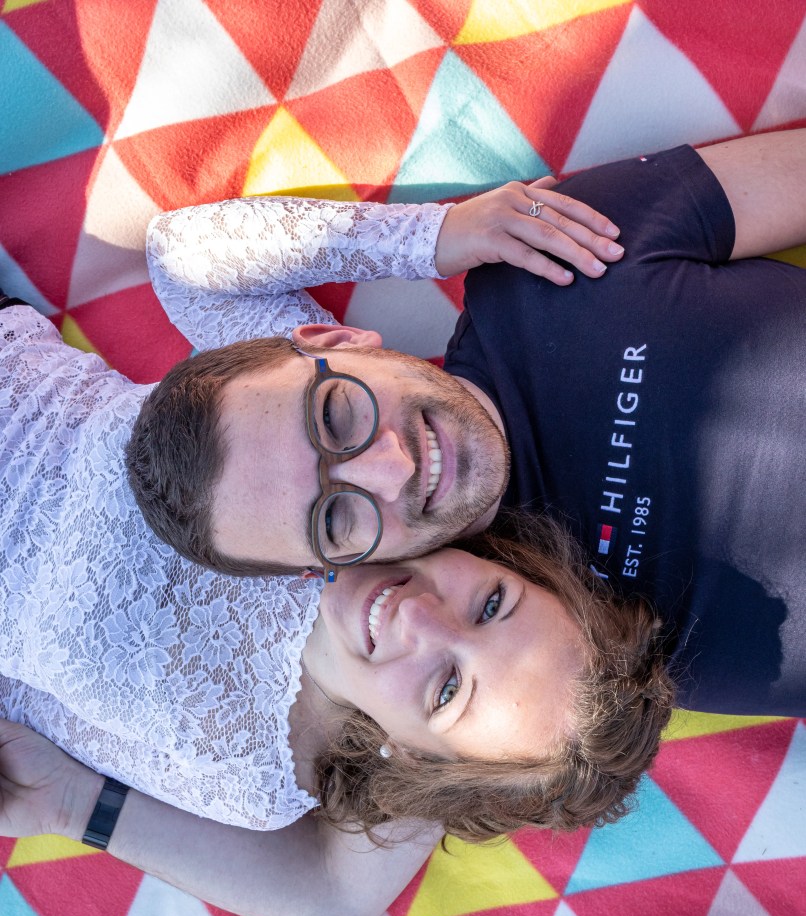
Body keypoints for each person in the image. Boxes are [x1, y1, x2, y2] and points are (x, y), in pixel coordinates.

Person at [132, 128, 806, 716]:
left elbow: (181, 261)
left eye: (336, 418)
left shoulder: (549, 253)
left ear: (335, 341)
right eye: (336, 516)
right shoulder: (507, 649)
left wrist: (432, 237)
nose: (393, 469)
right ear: (327, 570)